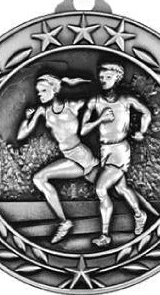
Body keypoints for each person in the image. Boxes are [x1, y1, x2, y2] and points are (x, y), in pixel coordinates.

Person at [17, 74, 98, 244]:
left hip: (81, 156)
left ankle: (64, 222)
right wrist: (27, 117)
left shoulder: (72, 105)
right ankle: (64, 222)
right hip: (69, 156)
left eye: (43, 90)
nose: (39, 94)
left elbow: (95, 89)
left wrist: (72, 82)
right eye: (38, 92)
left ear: (54, 90)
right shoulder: (42, 111)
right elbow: (21, 135)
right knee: (39, 178)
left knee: (116, 188)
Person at [81, 63, 152, 248]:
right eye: (101, 77)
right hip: (105, 150)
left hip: (120, 150)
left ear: (117, 78)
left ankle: (105, 235)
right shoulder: (95, 101)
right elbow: (83, 129)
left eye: (108, 77)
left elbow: (146, 113)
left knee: (100, 189)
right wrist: (100, 119)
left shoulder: (126, 100)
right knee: (121, 189)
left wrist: (142, 131)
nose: (104, 80)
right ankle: (139, 215)